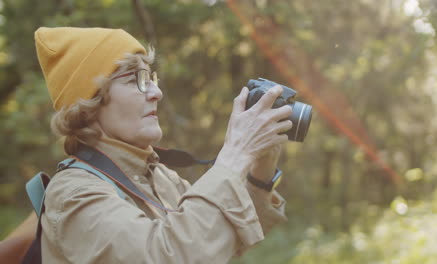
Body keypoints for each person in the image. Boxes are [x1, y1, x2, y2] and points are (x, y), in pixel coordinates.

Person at [15, 26, 293, 263]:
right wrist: (236, 153)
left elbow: (216, 238)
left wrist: (260, 168)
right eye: (137, 79)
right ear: (89, 104)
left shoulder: (159, 176)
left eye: (151, 78)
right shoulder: (74, 193)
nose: (157, 92)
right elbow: (168, 256)